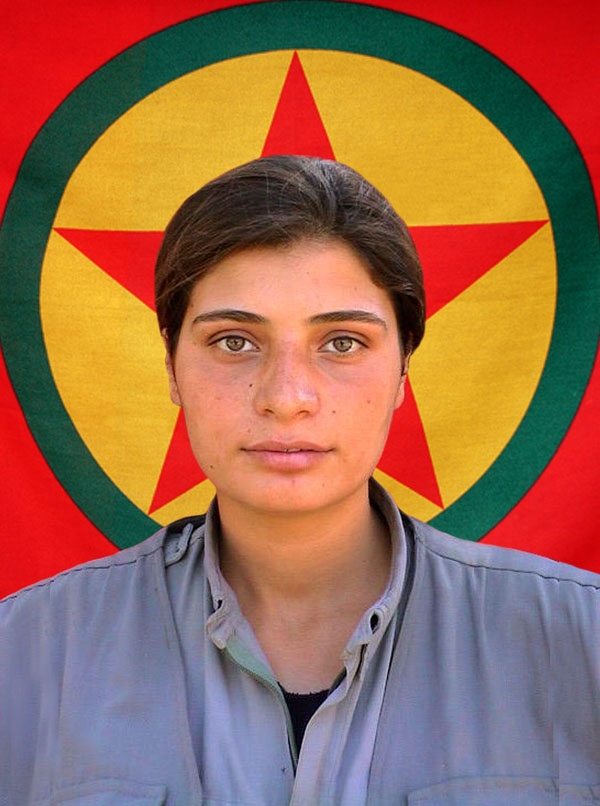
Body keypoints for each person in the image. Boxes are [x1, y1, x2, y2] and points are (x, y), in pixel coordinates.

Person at [1, 155, 599, 805]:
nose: (286, 398)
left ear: (403, 369)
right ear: (172, 364)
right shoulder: (24, 652)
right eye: (234, 341)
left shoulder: (581, 640)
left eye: (342, 342)